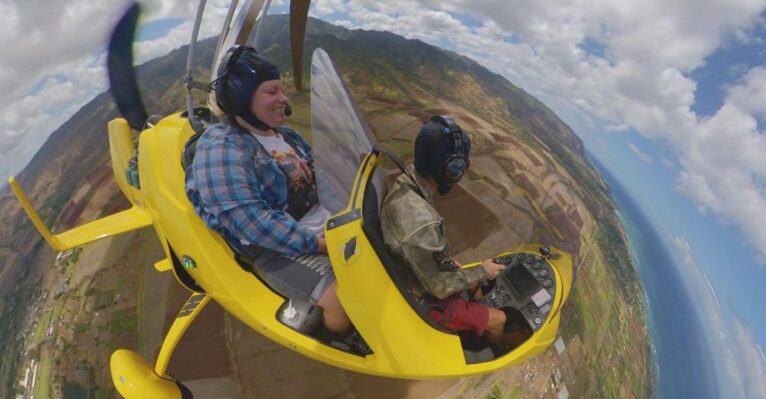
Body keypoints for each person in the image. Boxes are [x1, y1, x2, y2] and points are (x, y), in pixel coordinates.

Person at [185, 45, 368, 352]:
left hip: (324, 224)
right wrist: (318, 244)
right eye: (272, 91)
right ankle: (351, 339)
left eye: (281, 91)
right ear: (243, 98)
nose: (283, 99)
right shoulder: (221, 149)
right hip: (276, 248)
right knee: (341, 299)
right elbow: (251, 222)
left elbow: (323, 175)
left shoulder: (285, 137)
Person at [380, 115, 527, 347]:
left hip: (411, 276)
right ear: (452, 169)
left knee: (474, 286)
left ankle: (473, 314)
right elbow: (440, 287)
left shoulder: (407, 185)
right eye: (462, 165)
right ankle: (490, 345)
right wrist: (482, 271)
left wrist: (468, 272)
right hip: (422, 302)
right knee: (500, 319)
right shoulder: (421, 221)